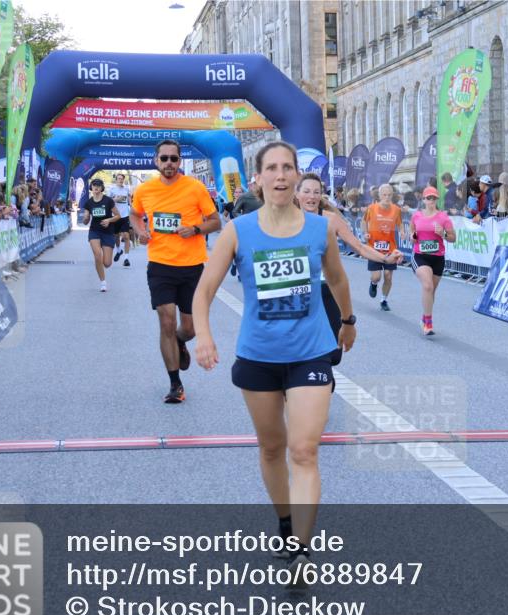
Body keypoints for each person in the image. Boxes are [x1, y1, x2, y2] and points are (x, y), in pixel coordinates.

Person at [192, 141, 356, 582]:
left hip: (310, 353)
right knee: (271, 447)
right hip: (259, 356)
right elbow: (204, 290)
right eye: (272, 169)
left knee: (303, 450)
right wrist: (203, 336)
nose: (281, 176)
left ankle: (301, 550)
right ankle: (285, 523)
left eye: (288, 168)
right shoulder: (238, 231)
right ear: (258, 179)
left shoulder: (319, 228)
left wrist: (349, 320)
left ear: (297, 176)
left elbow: (337, 278)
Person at [130, 139, 221, 404]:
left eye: (174, 159)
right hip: (160, 265)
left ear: (179, 161)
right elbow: (135, 215)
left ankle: (181, 342)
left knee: (189, 329)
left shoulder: (195, 187)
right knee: (167, 322)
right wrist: (140, 232)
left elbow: (216, 221)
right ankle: (175, 384)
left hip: (192, 267)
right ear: (156, 160)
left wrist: (195, 230)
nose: (169, 163)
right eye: (164, 158)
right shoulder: (144, 190)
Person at [297, 173, 399, 363]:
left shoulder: (330, 220)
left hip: (326, 288)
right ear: (297, 194)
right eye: (306, 192)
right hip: (298, 291)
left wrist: (385, 258)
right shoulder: (286, 219)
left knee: (334, 354)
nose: (311, 197)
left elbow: (359, 246)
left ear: (321, 195)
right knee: (301, 349)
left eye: (316, 192)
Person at [410, 186, 456, 336]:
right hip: (420, 255)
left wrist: (442, 233)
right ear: (423, 200)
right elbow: (412, 233)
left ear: (437, 200)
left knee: (431, 291)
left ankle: (425, 316)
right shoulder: (416, 216)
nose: (431, 201)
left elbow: (453, 238)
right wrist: (413, 237)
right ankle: (428, 322)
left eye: (433, 198)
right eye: (428, 198)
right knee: (428, 286)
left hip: (437, 258)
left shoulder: (443, 217)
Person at [362, 183, 405, 311]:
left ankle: (384, 300)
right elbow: (364, 221)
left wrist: (402, 232)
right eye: (384, 195)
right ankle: (373, 283)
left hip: (390, 249)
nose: (387, 197)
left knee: (388, 276)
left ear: (392, 195)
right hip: (374, 249)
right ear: (379, 195)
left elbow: (401, 224)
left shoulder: (396, 209)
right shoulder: (371, 208)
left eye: (389, 195)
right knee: (376, 276)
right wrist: (365, 233)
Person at [82, 178, 121, 292]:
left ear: (102, 188)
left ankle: (104, 264)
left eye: (98, 185)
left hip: (108, 232)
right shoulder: (89, 203)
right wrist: (85, 218)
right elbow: (85, 220)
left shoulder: (108, 200)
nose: (96, 187)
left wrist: (109, 220)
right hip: (94, 231)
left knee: (107, 263)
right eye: (94, 185)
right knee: (98, 255)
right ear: (91, 188)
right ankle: (103, 282)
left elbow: (118, 216)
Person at [108, 173, 133, 267]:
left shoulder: (127, 189)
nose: (120, 180)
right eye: (118, 179)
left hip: (125, 216)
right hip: (115, 216)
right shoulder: (111, 189)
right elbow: (108, 202)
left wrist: (132, 208)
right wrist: (116, 199)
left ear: (123, 180)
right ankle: (119, 251)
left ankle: (126, 259)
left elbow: (130, 201)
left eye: (122, 179)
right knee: (116, 237)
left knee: (126, 236)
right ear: (116, 180)